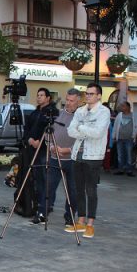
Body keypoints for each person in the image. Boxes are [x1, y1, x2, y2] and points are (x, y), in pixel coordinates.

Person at [67, 83, 110, 238]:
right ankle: (81, 220)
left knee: (90, 190)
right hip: (77, 154)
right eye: (87, 93)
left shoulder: (104, 112)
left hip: (93, 156)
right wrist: (84, 130)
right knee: (78, 189)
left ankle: (90, 224)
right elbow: (70, 130)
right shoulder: (80, 110)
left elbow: (98, 133)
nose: (88, 96)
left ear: (99, 96)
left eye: (92, 94)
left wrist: (82, 128)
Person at [23, 88, 59, 225]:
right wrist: (30, 140)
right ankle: (40, 204)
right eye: (37, 95)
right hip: (33, 149)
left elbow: (53, 130)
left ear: (48, 98)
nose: (39, 97)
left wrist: (40, 140)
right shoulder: (34, 112)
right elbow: (27, 128)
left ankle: (47, 206)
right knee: (38, 179)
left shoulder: (53, 113)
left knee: (47, 179)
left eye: (42, 95)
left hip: (45, 150)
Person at [47, 88, 80, 228]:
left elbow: (83, 141)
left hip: (73, 160)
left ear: (79, 101)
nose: (68, 103)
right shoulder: (58, 115)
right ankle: (43, 212)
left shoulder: (81, 117)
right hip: (55, 158)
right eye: (67, 100)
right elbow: (48, 133)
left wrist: (67, 150)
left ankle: (70, 217)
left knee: (73, 191)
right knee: (49, 187)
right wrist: (51, 146)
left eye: (71, 101)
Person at [112, 101, 137, 176]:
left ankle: (129, 170)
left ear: (128, 107)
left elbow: (136, 126)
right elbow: (115, 126)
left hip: (129, 139)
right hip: (119, 138)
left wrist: (134, 135)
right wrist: (113, 136)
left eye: (123, 106)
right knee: (120, 155)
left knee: (129, 155)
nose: (121, 107)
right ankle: (121, 169)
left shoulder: (134, 115)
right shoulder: (119, 115)